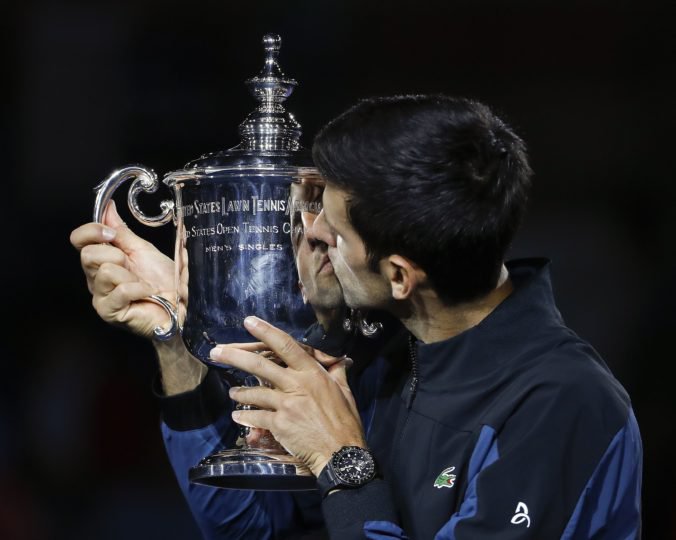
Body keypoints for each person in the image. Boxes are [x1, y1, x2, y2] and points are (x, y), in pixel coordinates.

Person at [205, 95, 643, 539]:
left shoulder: (564, 403)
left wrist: (342, 461)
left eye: (335, 231)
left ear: (399, 276)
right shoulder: (380, 355)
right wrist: (173, 344)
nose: (313, 231)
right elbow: (255, 531)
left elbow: (344, 479)